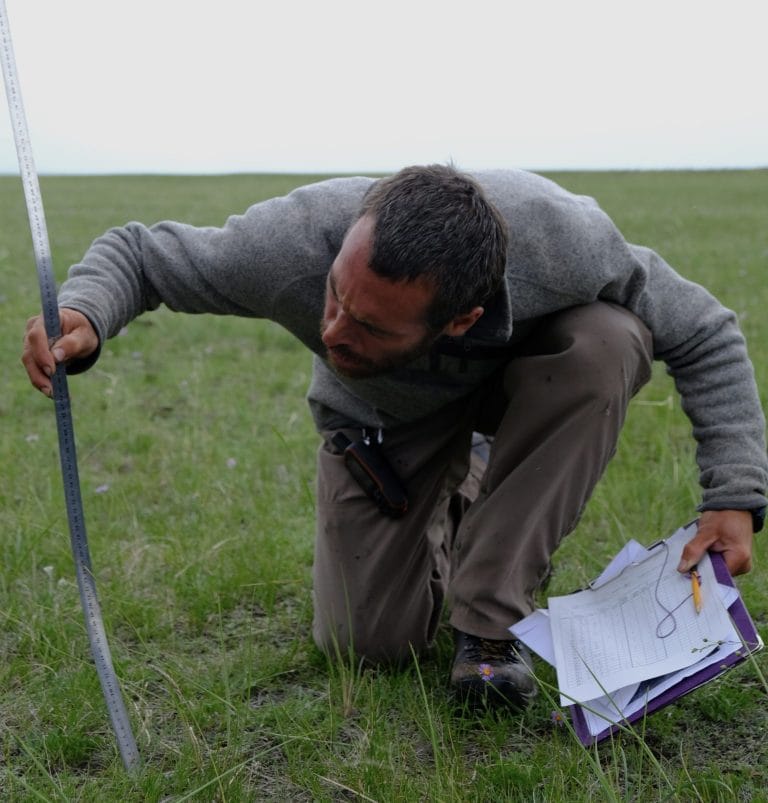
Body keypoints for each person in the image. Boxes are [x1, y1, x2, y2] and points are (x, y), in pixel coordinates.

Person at [22, 165, 767, 710]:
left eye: (369, 322)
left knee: (609, 341)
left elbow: (703, 328)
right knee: (367, 642)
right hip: (382, 417)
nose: (332, 328)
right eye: (336, 296)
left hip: (526, 386)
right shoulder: (291, 242)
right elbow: (142, 253)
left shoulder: (567, 238)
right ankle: (468, 476)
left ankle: (490, 624)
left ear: (461, 319)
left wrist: (733, 494)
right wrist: (87, 312)